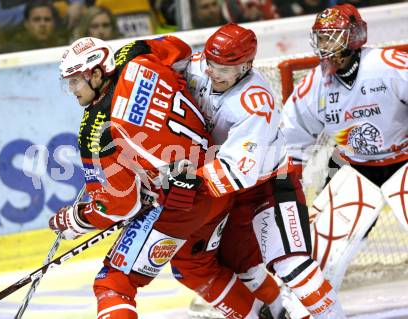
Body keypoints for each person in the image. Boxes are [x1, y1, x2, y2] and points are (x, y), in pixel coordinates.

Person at [49, 35, 287, 319]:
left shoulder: (96, 131)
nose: (72, 89)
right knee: (192, 266)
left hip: (181, 201)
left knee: (114, 284)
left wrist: (76, 220)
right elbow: (181, 50)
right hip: (216, 184)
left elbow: (118, 207)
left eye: (75, 81)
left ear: (97, 74)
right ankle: (273, 312)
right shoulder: (135, 53)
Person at [177, 23, 346, 319]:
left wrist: (187, 181)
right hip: (229, 194)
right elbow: (168, 59)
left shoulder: (254, 103)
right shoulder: (200, 66)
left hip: (269, 187)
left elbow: (237, 172)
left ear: (246, 66)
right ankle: (279, 314)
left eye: (224, 68)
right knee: (239, 264)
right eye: (211, 63)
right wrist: (145, 52)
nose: (212, 73)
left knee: (292, 266)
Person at [280, 1, 407, 300]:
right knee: (321, 251)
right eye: (322, 38)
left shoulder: (388, 65)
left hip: (404, 162)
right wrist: (288, 189)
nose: (326, 45)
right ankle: (302, 309)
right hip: (355, 169)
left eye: (333, 37)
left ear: (354, 36)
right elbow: (291, 137)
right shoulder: (315, 84)